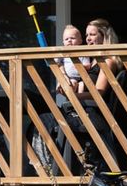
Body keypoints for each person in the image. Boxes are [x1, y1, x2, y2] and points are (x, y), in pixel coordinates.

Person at [32, 18, 121, 171]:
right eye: (86, 35)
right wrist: (68, 83)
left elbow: (98, 93)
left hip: (91, 113)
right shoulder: (93, 61)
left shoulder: (108, 61)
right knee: (41, 120)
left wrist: (72, 96)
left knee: (44, 121)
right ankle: (50, 165)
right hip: (82, 110)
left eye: (92, 34)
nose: (88, 39)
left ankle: (50, 168)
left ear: (104, 36)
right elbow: (77, 79)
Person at [55, 25, 91, 94]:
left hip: (77, 78)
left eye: (72, 38)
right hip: (65, 76)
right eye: (66, 39)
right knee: (62, 84)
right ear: (63, 42)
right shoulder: (63, 53)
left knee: (74, 85)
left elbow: (88, 65)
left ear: (80, 41)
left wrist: (82, 67)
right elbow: (56, 61)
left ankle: (76, 101)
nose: (69, 40)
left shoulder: (82, 52)